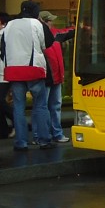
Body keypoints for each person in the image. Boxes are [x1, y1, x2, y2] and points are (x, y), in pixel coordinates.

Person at [2, 0, 55, 151]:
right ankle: (44, 140)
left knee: (18, 107)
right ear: (35, 12)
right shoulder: (36, 24)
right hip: (33, 70)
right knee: (40, 105)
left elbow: (2, 50)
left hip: (14, 70)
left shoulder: (9, 25)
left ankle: (21, 142)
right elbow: (49, 42)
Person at [40, 11, 74, 143]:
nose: (52, 23)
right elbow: (68, 31)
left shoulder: (54, 33)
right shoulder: (45, 35)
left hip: (55, 76)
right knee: (46, 107)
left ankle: (54, 133)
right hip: (46, 77)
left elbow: (69, 31)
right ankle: (46, 134)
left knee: (53, 106)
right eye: (49, 21)